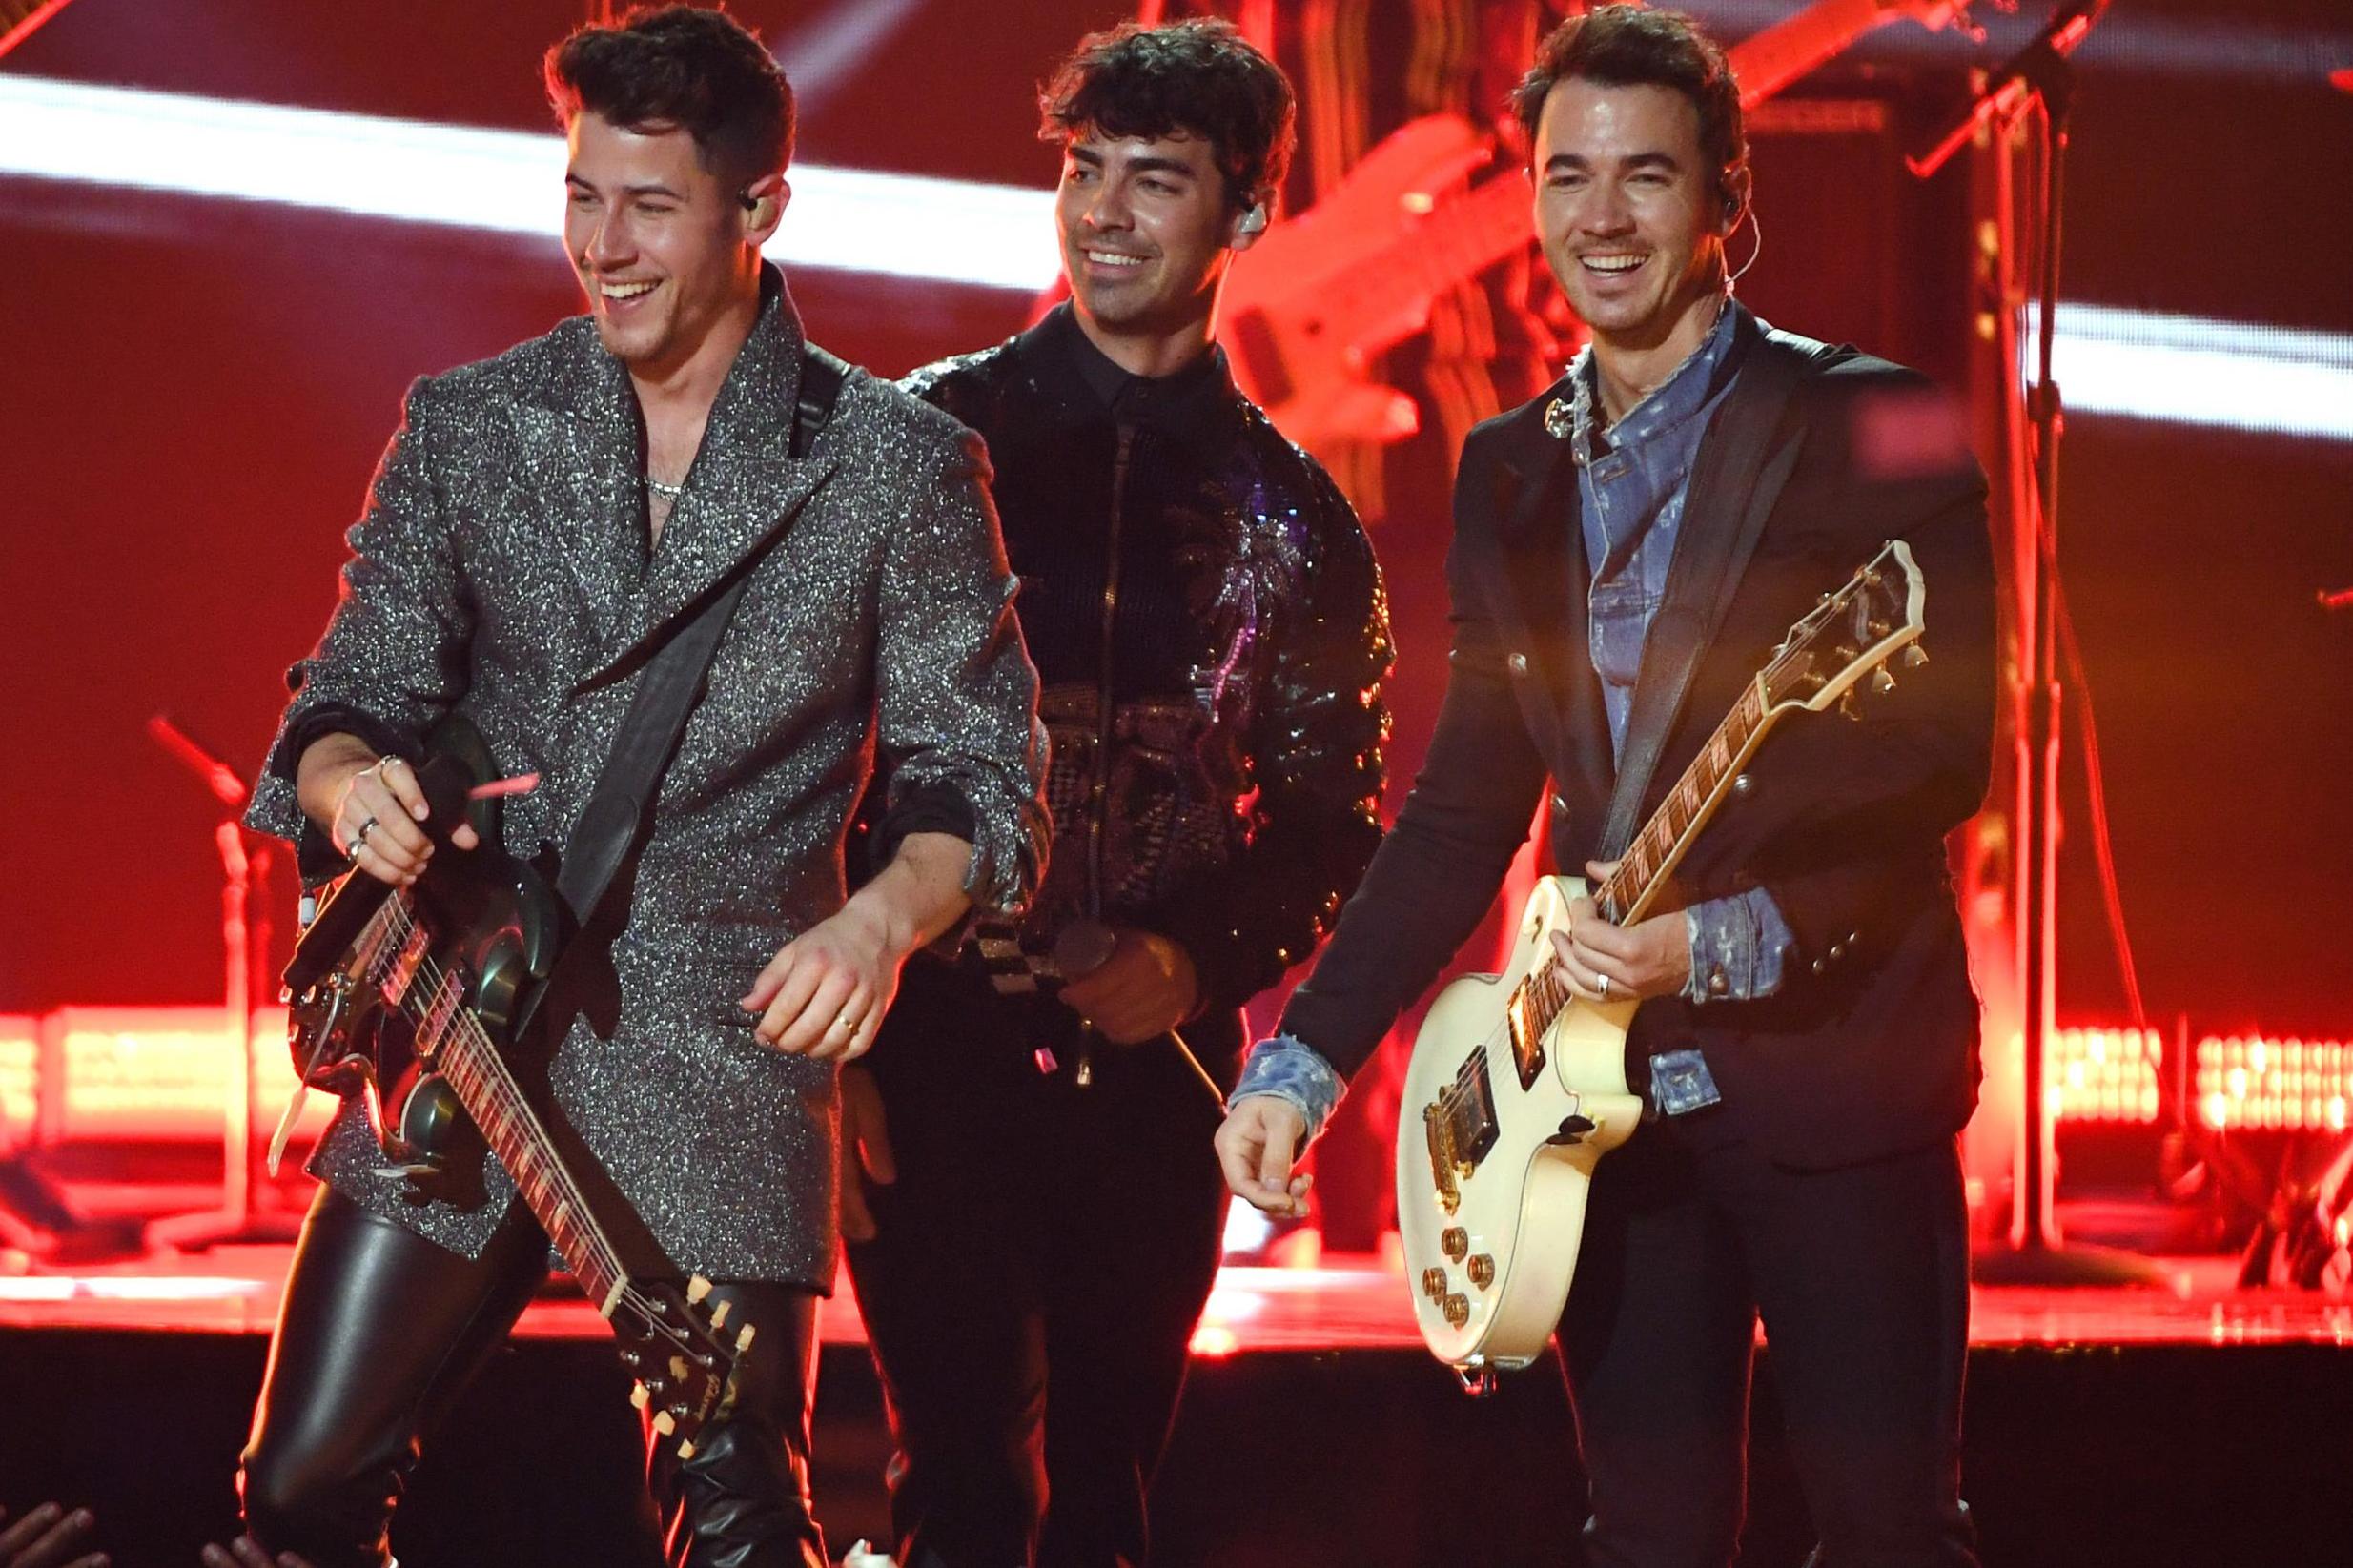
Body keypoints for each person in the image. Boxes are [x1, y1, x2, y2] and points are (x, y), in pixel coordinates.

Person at [234, 8, 1047, 1567]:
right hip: (461, 1029)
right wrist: (351, 792)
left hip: (718, 1051)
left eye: (650, 207)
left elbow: (984, 777)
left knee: (742, 1533)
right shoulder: (470, 423)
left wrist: (882, 922)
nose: (602, 248)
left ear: (760, 213)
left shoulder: (895, 465)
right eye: (581, 197)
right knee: (296, 1494)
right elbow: (344, 696)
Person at [1217, 8, 1994, 1566]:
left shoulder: (1875, 418)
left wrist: (1702, 947)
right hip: (1594, 1120)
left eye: (1647, 176)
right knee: (1641, 1541)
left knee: (1889, 1535)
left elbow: (1938, 761)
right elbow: (1462, 806)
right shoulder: (1507, 467)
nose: (1603, 217)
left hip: (1834, 1080)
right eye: (1569, 176)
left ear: (1726, 203)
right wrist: (1302, 1063)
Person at [838, 19, 1391, 1568]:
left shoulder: (1296, 519)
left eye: (1155, 181)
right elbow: (786, 756)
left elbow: (1337, 822)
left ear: (1250, 212)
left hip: (1156, 1095)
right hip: (924, 1061)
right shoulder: (917, 447)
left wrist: (1199, 962)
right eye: (1084, 171)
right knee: (959, 1490)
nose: (1103, 213)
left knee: (1105, 1509)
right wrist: (826, 1055)